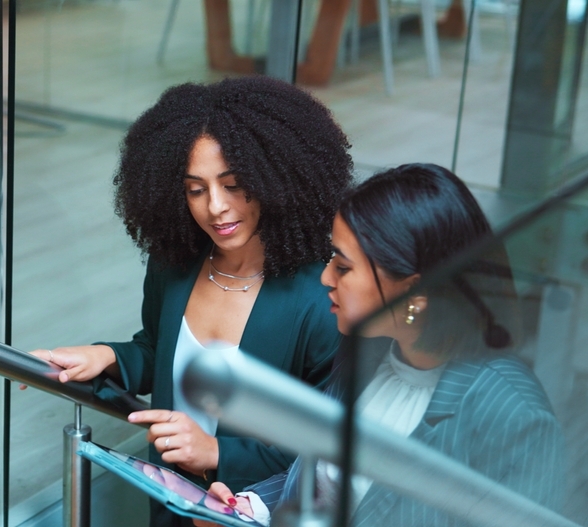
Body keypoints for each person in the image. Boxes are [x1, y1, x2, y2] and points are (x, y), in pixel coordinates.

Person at [30, 75, 354, 526]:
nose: (215, 207)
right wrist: (106, 356)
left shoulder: (320, 302)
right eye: (195, 189)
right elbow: (158, 350)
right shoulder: (174, 265)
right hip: (170, 503)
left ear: (276, 177)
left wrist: (217, 453)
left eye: (234, 184)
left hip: (253, 513)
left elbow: (327, 445)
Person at [198, 163, 565, 527]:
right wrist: (249, 509)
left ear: (412, 293)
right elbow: (324, 484)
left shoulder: (513, 416)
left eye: (343, 267)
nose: (326, 277)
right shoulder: (368, 351)